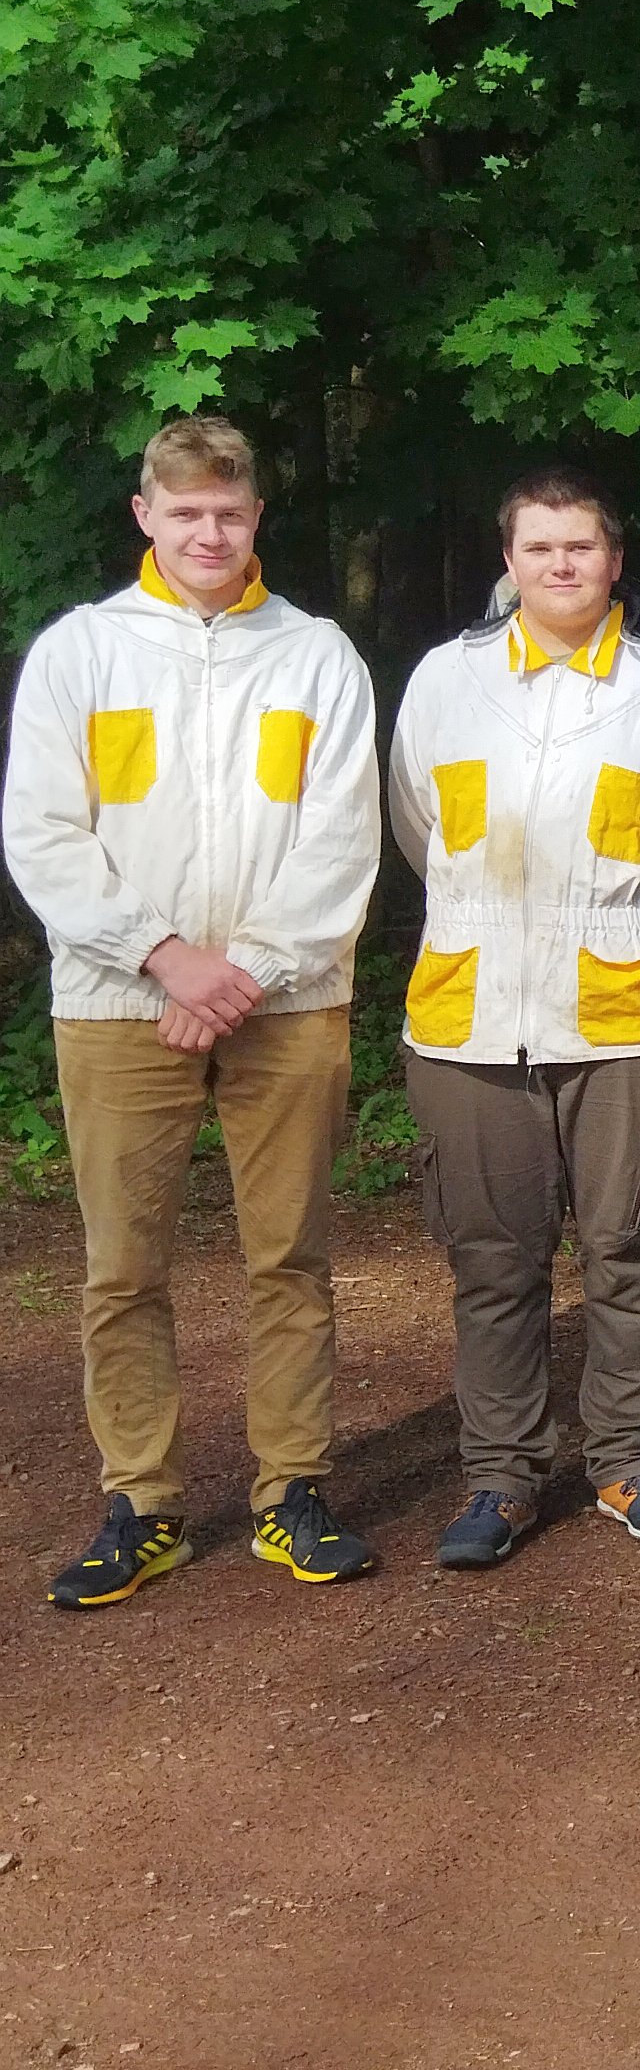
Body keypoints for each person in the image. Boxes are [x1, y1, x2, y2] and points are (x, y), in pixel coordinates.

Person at [5, 416, 381, 1607]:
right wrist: (166, 958)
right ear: (145, 516)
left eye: (228, 512)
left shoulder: (315, 655)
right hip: (121, 1001)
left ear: (256, 516)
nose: (208, 534)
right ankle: (142, 1502)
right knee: (123, 1267)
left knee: (291, 1257)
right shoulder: (82, 652)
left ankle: (292, 1491)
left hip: (289, 999)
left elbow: (342, 837)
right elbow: (42, 833)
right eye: (185, 514)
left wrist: (246, 969)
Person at [389, 471, 640, 1569]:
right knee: (494, 1262)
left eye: (581, 546)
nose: (561, 565)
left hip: (631, 1019)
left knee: (632, 1250)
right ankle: (501, 1476)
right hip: (473, 1017)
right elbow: (417, 828)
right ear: (510, 560)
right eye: (539, 548)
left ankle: (631, 1462)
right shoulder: (446, 681)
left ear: (615, 560)